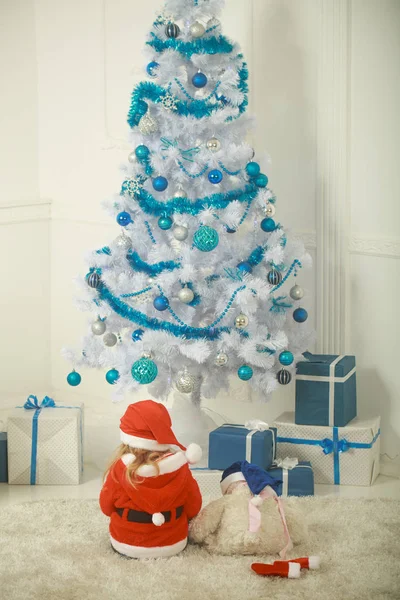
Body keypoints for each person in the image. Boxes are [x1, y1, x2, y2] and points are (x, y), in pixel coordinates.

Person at [100, 399, 203, 558]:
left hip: (126, 542)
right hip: (173, 542)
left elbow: (106, 507)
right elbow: (193, 506)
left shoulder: (120, 470)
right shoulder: (180, 468)